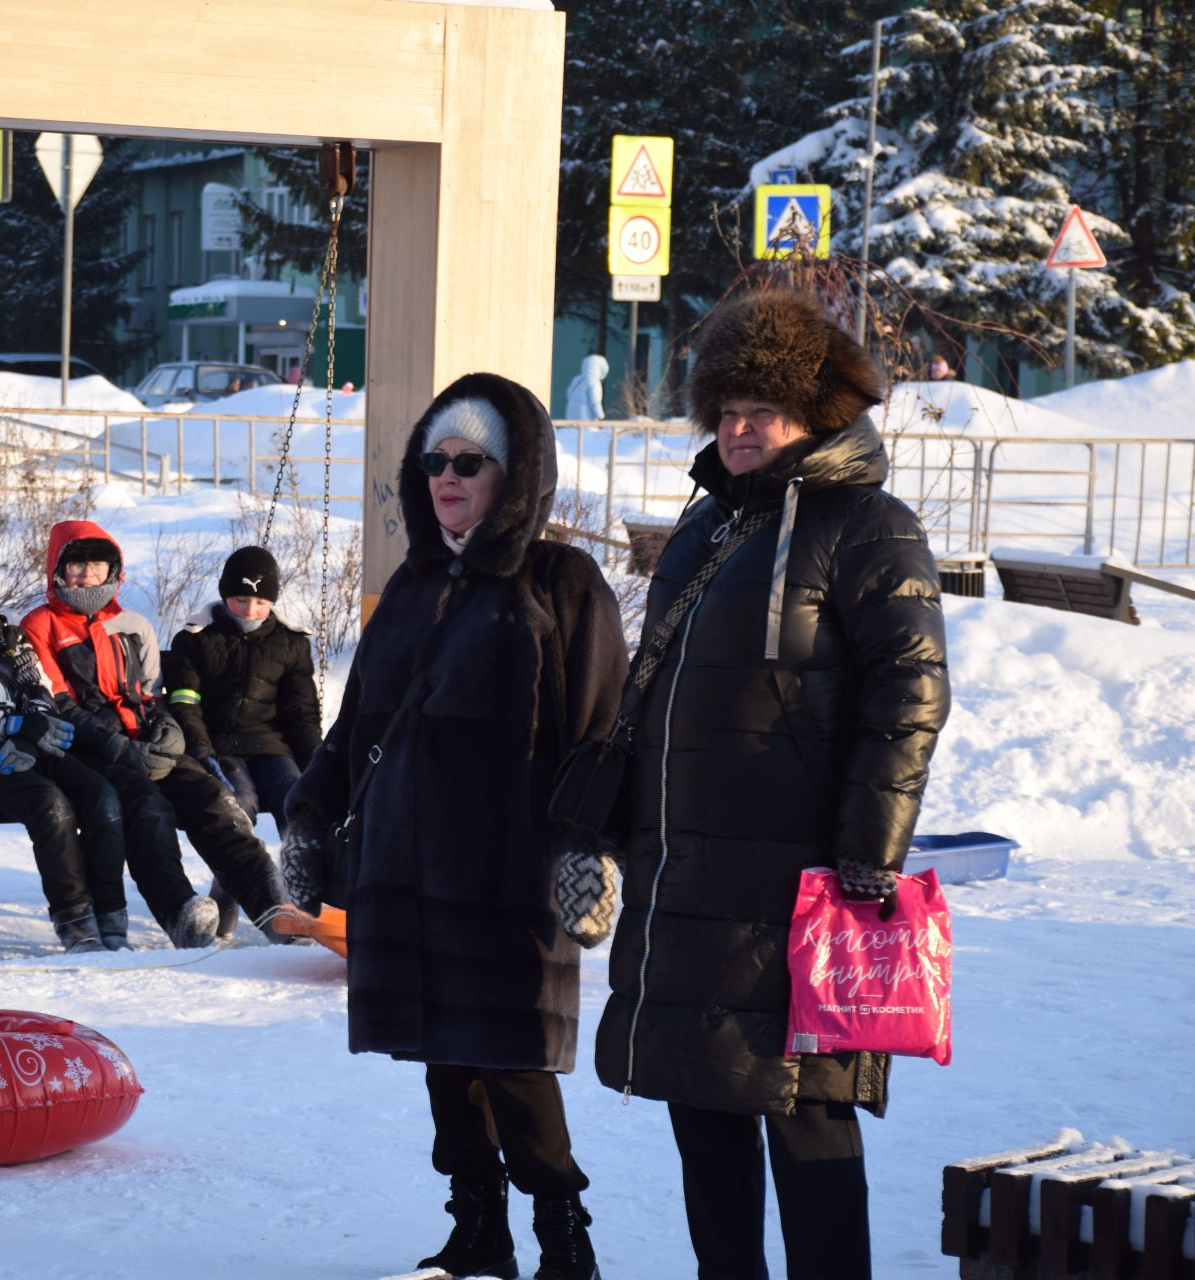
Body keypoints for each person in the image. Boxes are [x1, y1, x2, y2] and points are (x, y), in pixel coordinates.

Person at [595, 290, 949, 1280]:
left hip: (805, 890)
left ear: (814, 415)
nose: (740, 428)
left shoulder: (869, 525)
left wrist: (866, 856)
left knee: (809, 1120)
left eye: (765, 409)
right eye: (728, 408)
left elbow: (910, 694)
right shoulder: (710, 531)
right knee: (702, 1109)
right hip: (690, 878)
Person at [281, 373, 630, 1280]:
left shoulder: (561, 582)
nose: (448, 475)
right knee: (444, 1060)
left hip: (506, 871)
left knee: (511, 1062)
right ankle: (478, 1232)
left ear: (513, 474)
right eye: (435, 459)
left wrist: (589, 849)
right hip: (407, 866)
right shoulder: (413, 583)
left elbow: (601, 731)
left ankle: (565, 1239)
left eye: (470, 461)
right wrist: (311, 815)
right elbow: (357, 723)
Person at [20, 520, 300, 948]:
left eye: (97, 565)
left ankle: (273, 907)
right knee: (147, 808)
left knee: (214, 800)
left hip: (145, 742)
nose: (87, 575)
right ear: (57, 570)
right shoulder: (40, 626)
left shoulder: (133, 624)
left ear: (113, 568)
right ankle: (180, 910)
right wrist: (116, 746)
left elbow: (152, 694)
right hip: (89, 752)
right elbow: (59, 705)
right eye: (76, 566)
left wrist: (167, 728)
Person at [0, 585, 132, 953]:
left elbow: (38, 687)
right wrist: (6, 726)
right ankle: (75, 921)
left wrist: (32, 731)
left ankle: (112, 916)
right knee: (50, 805)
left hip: (34, 744)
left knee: (101, 796)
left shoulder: (9, 639)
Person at [165, 545, 321, 935]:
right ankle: (228, 905)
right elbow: (185, 704)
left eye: (260, 602)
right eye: (241, 600)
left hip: (271, 747)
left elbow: (300, 712)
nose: (250, 611)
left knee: (298, 800)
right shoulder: (196, 640)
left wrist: (316, 763)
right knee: (239, 804)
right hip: (220, 746)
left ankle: (309, 904)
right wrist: (201, 751)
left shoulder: (290, 643)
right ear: (224, 594)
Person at [564, 353, 608, 421]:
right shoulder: (594, 382)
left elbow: (568, 394)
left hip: (570, 419)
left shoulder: (577, 380)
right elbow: (595, 403)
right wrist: (602, 417)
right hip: (586, 420)